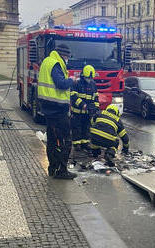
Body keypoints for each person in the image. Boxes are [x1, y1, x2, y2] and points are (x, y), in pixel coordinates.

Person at [38, 44, 77, 179]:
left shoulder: (47, 61)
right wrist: (71, 80)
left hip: (49, 108)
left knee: (53, 141)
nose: (67, 59)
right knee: (65, 140)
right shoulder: (56, 64)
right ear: (63, 55)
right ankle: (61, 170)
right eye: (67, 56)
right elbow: (60, 84)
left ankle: (53, 168)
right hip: (57, 110)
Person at [70, 65, 99, 151]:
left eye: (91, 77)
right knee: (77, 128)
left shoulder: (93, 84)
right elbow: (73, 96)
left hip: (87, 113)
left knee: (86, 127)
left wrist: (96, 108)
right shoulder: (77, 83)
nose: (89, 79)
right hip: (77, 112)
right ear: (83, 76)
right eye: (88, 77)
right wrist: (83, 105)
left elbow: (96, 98)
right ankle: (76, 144)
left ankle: (85, 143)